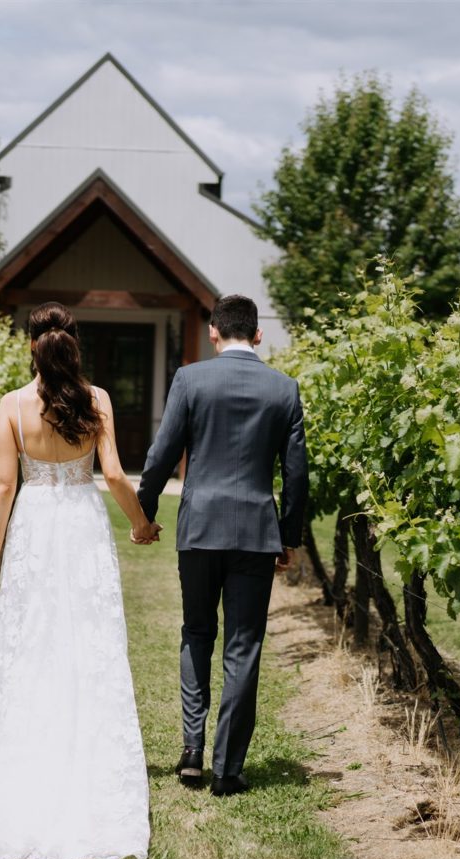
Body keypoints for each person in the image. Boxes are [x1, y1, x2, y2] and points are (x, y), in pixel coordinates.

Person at [0, 302, 156, 859]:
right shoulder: (98, 400)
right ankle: (87, 766)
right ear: (74, 345)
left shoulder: (13, 405)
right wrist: (139, 522)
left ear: (31, 346)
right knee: (89, 639)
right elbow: (113, 473)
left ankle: (30, 763)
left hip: (36, 527)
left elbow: (2, 484)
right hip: (83, 525)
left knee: (31, 643)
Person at [135, 294, 308, 796]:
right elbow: (295, 473)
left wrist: (144, 513)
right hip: (256, 533)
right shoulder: (285, 388)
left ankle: (192, 749)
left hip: (199, 528)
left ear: (214, 332)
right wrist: (288, 536)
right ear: (258, 335)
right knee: (243, 644)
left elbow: (162, 452)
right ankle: (228, 767)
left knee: (196, 631)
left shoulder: (190, 379)